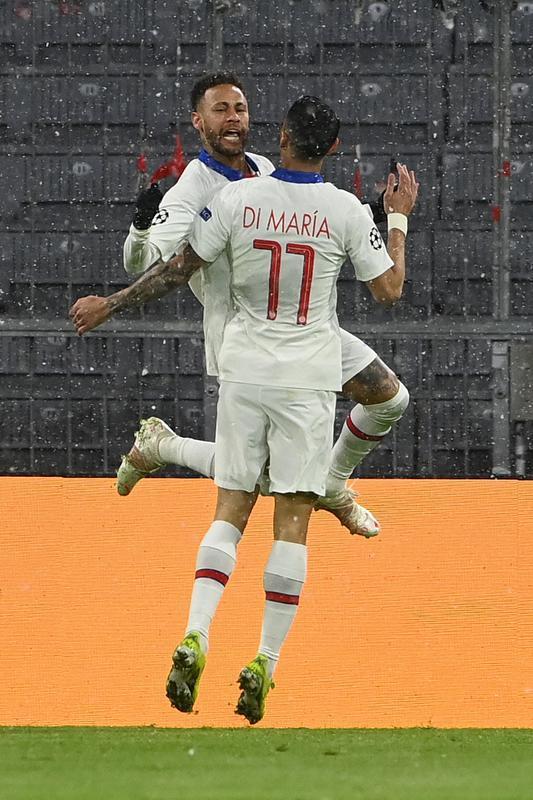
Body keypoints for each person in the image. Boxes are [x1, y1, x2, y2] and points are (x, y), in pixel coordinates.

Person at [71, 96, 418, 722]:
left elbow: (176, 270)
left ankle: (196, 632)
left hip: (246, 366)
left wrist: (110, 304)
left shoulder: (237, 199)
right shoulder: (341, 207)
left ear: (279, 137)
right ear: (333, 149)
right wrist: (395, 217)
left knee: (232, 508)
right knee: (291, 518)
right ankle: (265, 661)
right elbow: (389, 288)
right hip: (307, 376)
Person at [71, 71, 412, 538]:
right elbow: (151, 261)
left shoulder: (265, 168)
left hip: (306, 330)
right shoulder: (192, 189)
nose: (233, 118)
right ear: (198, 121)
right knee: (267, 480)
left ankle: (332, 485)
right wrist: (128, 259)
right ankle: (163, 446)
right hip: (243, 336)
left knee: (390, 397)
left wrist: (363, 221)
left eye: (240, 109)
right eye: (221, 110)